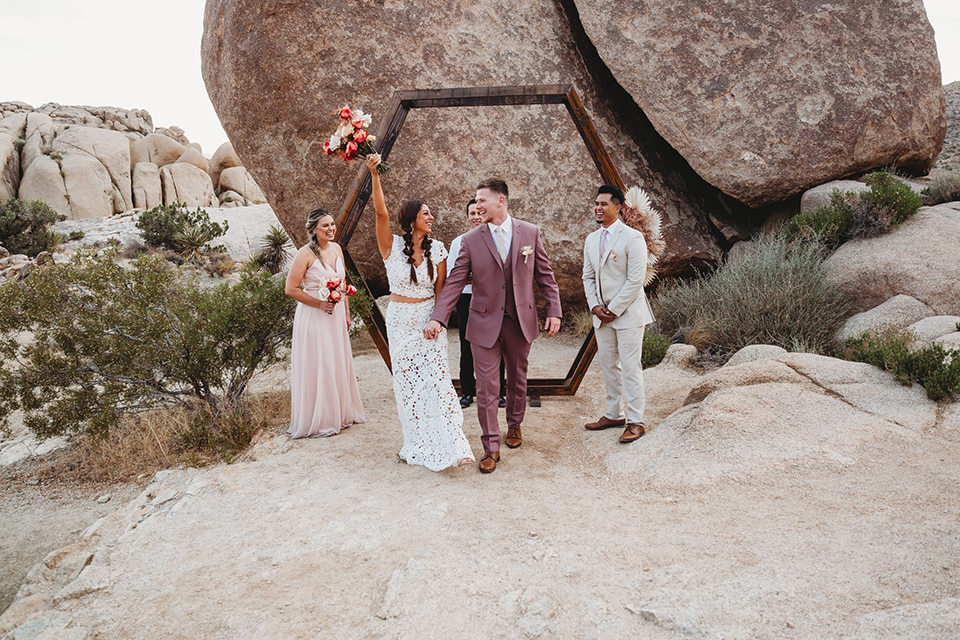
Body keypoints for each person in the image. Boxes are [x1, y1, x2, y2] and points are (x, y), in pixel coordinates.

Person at [425, 178, 562, 474]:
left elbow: (545, 276)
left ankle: (515, 424)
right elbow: (455, 282)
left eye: (481, 200)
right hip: (483, 322)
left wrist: (554, 310)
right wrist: (439, 317)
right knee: (487, 388)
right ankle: (490, 446)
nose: (477, 206)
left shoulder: (531, 232)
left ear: (501, 201)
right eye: (475, 201)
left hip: (519, 321)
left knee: (517, 379)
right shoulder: (470, 240)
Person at [365, 153, 474, 471]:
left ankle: (453, 443)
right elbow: (380, 211)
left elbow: (442, 294)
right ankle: (419, 443)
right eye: (426, 214)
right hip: (399, 322)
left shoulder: (438, 249)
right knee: (409, 384)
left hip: (428, 322)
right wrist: (375, 174)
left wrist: (436, 321)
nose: (432, 217)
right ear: (412, 219)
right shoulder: (391, 246)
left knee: (437, 382)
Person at [581, 185, 654, 443]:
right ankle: (614, 413)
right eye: (596, 204)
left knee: (630, 367)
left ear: (618, 207)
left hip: (628, 314)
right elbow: (588, 276)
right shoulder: (591, 239)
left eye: (604, 204)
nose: (598, 208)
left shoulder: (633, 238)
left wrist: (613, 309)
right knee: (608, 366)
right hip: (601, 316)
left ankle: (636, 421)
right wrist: (595, 307)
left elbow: (636, 279)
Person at [285, 208, 365, 438]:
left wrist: (347, 313)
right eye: (325, 226)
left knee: (337, 361)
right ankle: (321, 419)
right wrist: (319, 304)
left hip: (336, 315)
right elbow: (291, 289)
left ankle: (339, 414)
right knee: (322, 363)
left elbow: (343, 283)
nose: (331, 229)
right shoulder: (305, 254)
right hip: (314, 316)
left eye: (332, 225)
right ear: (313, 230)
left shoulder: (338, 249)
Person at [448, 198, 506, 409]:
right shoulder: (458, 242)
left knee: (495, 344)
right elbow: (453, 274)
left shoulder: (498, 239)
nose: (476, 217)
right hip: (467, 297)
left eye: (480, 213)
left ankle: (498, 392)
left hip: (493, 298)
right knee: (467, 344)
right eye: (472, 213)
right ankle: (467, 392)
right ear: (467, 217)